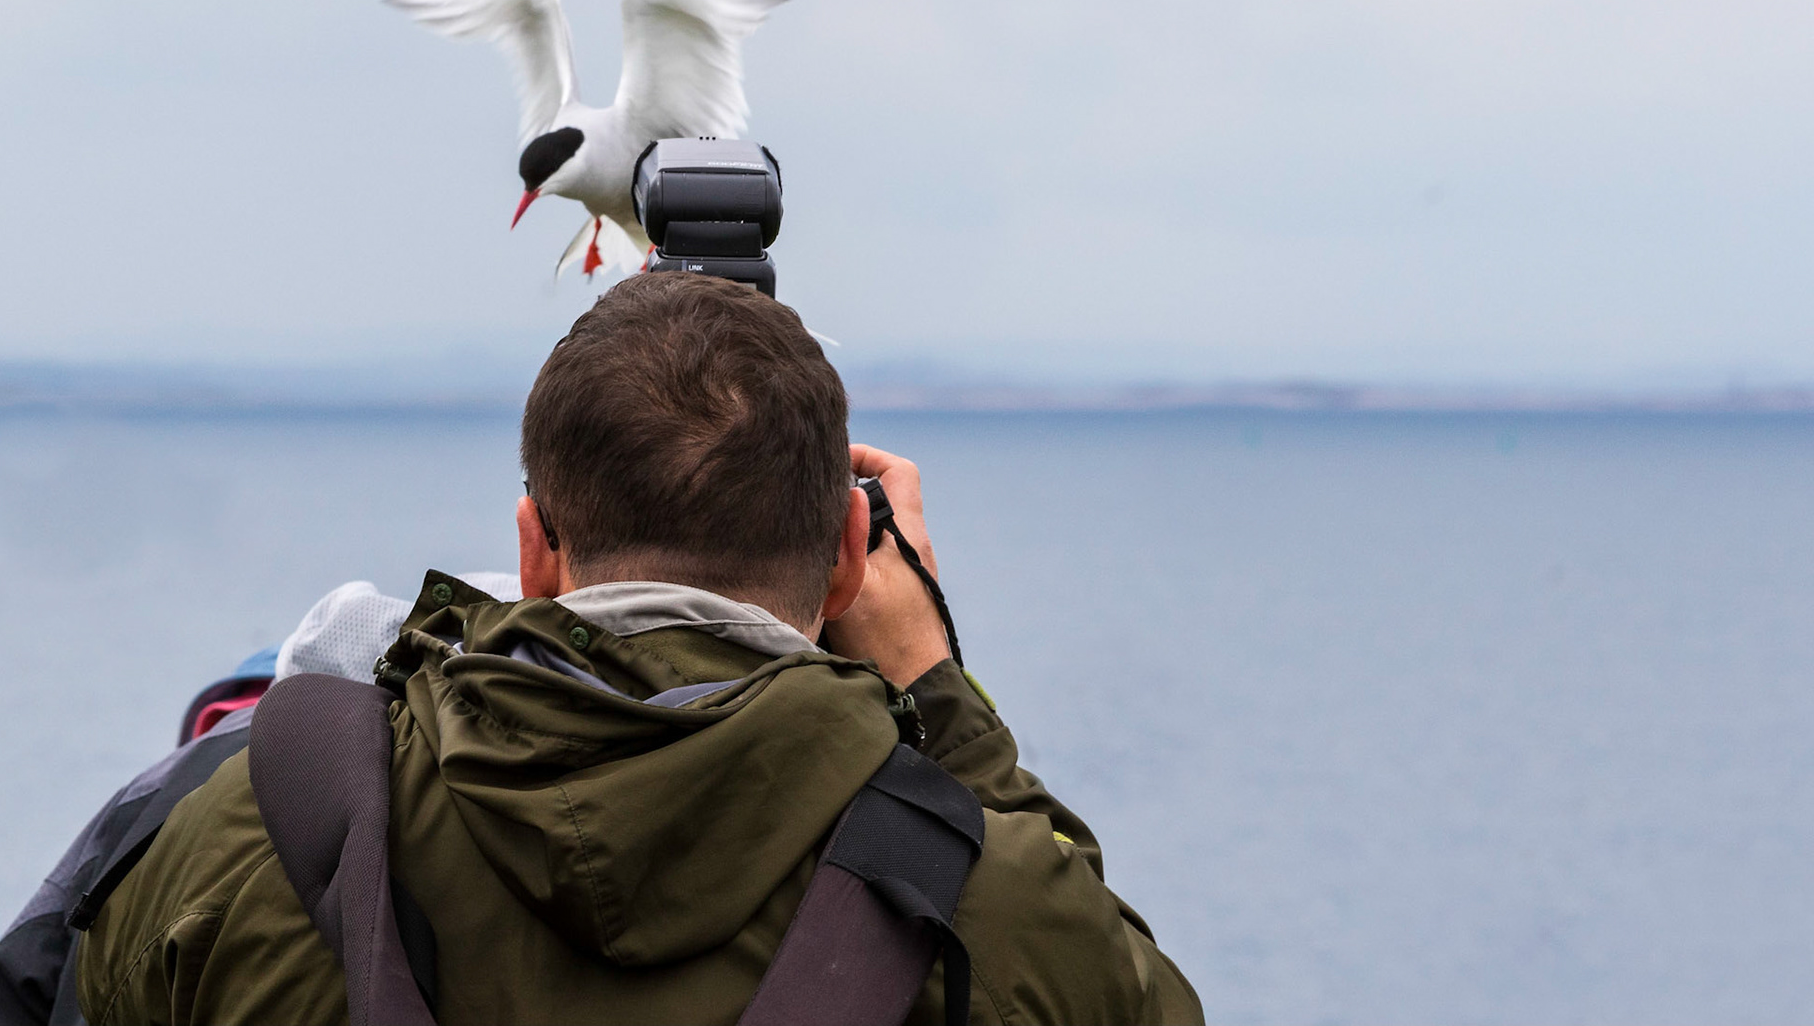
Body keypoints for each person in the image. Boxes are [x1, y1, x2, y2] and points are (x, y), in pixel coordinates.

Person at [69, 272, 1204, 1024]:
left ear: (535, 554)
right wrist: (933, 688)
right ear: (851, 559)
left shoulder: (236, 844)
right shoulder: (989, 911)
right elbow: (1120, 987)